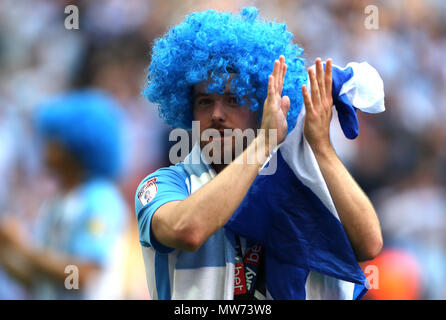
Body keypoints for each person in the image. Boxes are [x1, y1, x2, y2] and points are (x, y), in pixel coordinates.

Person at [135, 7, 383, 300]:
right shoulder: (165, 184)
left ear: (261, 107)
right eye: (204, 101)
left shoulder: (288, 177)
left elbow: (368, 245)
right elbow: (188, 231)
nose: (216, 114)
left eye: (233, 100)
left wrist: (321, 149)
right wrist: (263, 143)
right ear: (188, 111)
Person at [0, 90, 128, 299]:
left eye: (54, 140)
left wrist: (22, 246)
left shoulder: (100, 200)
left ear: (76, 145)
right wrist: (5, 252)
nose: (45, 147)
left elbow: (82, 277)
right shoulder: (57, 202)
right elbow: (40, 283)